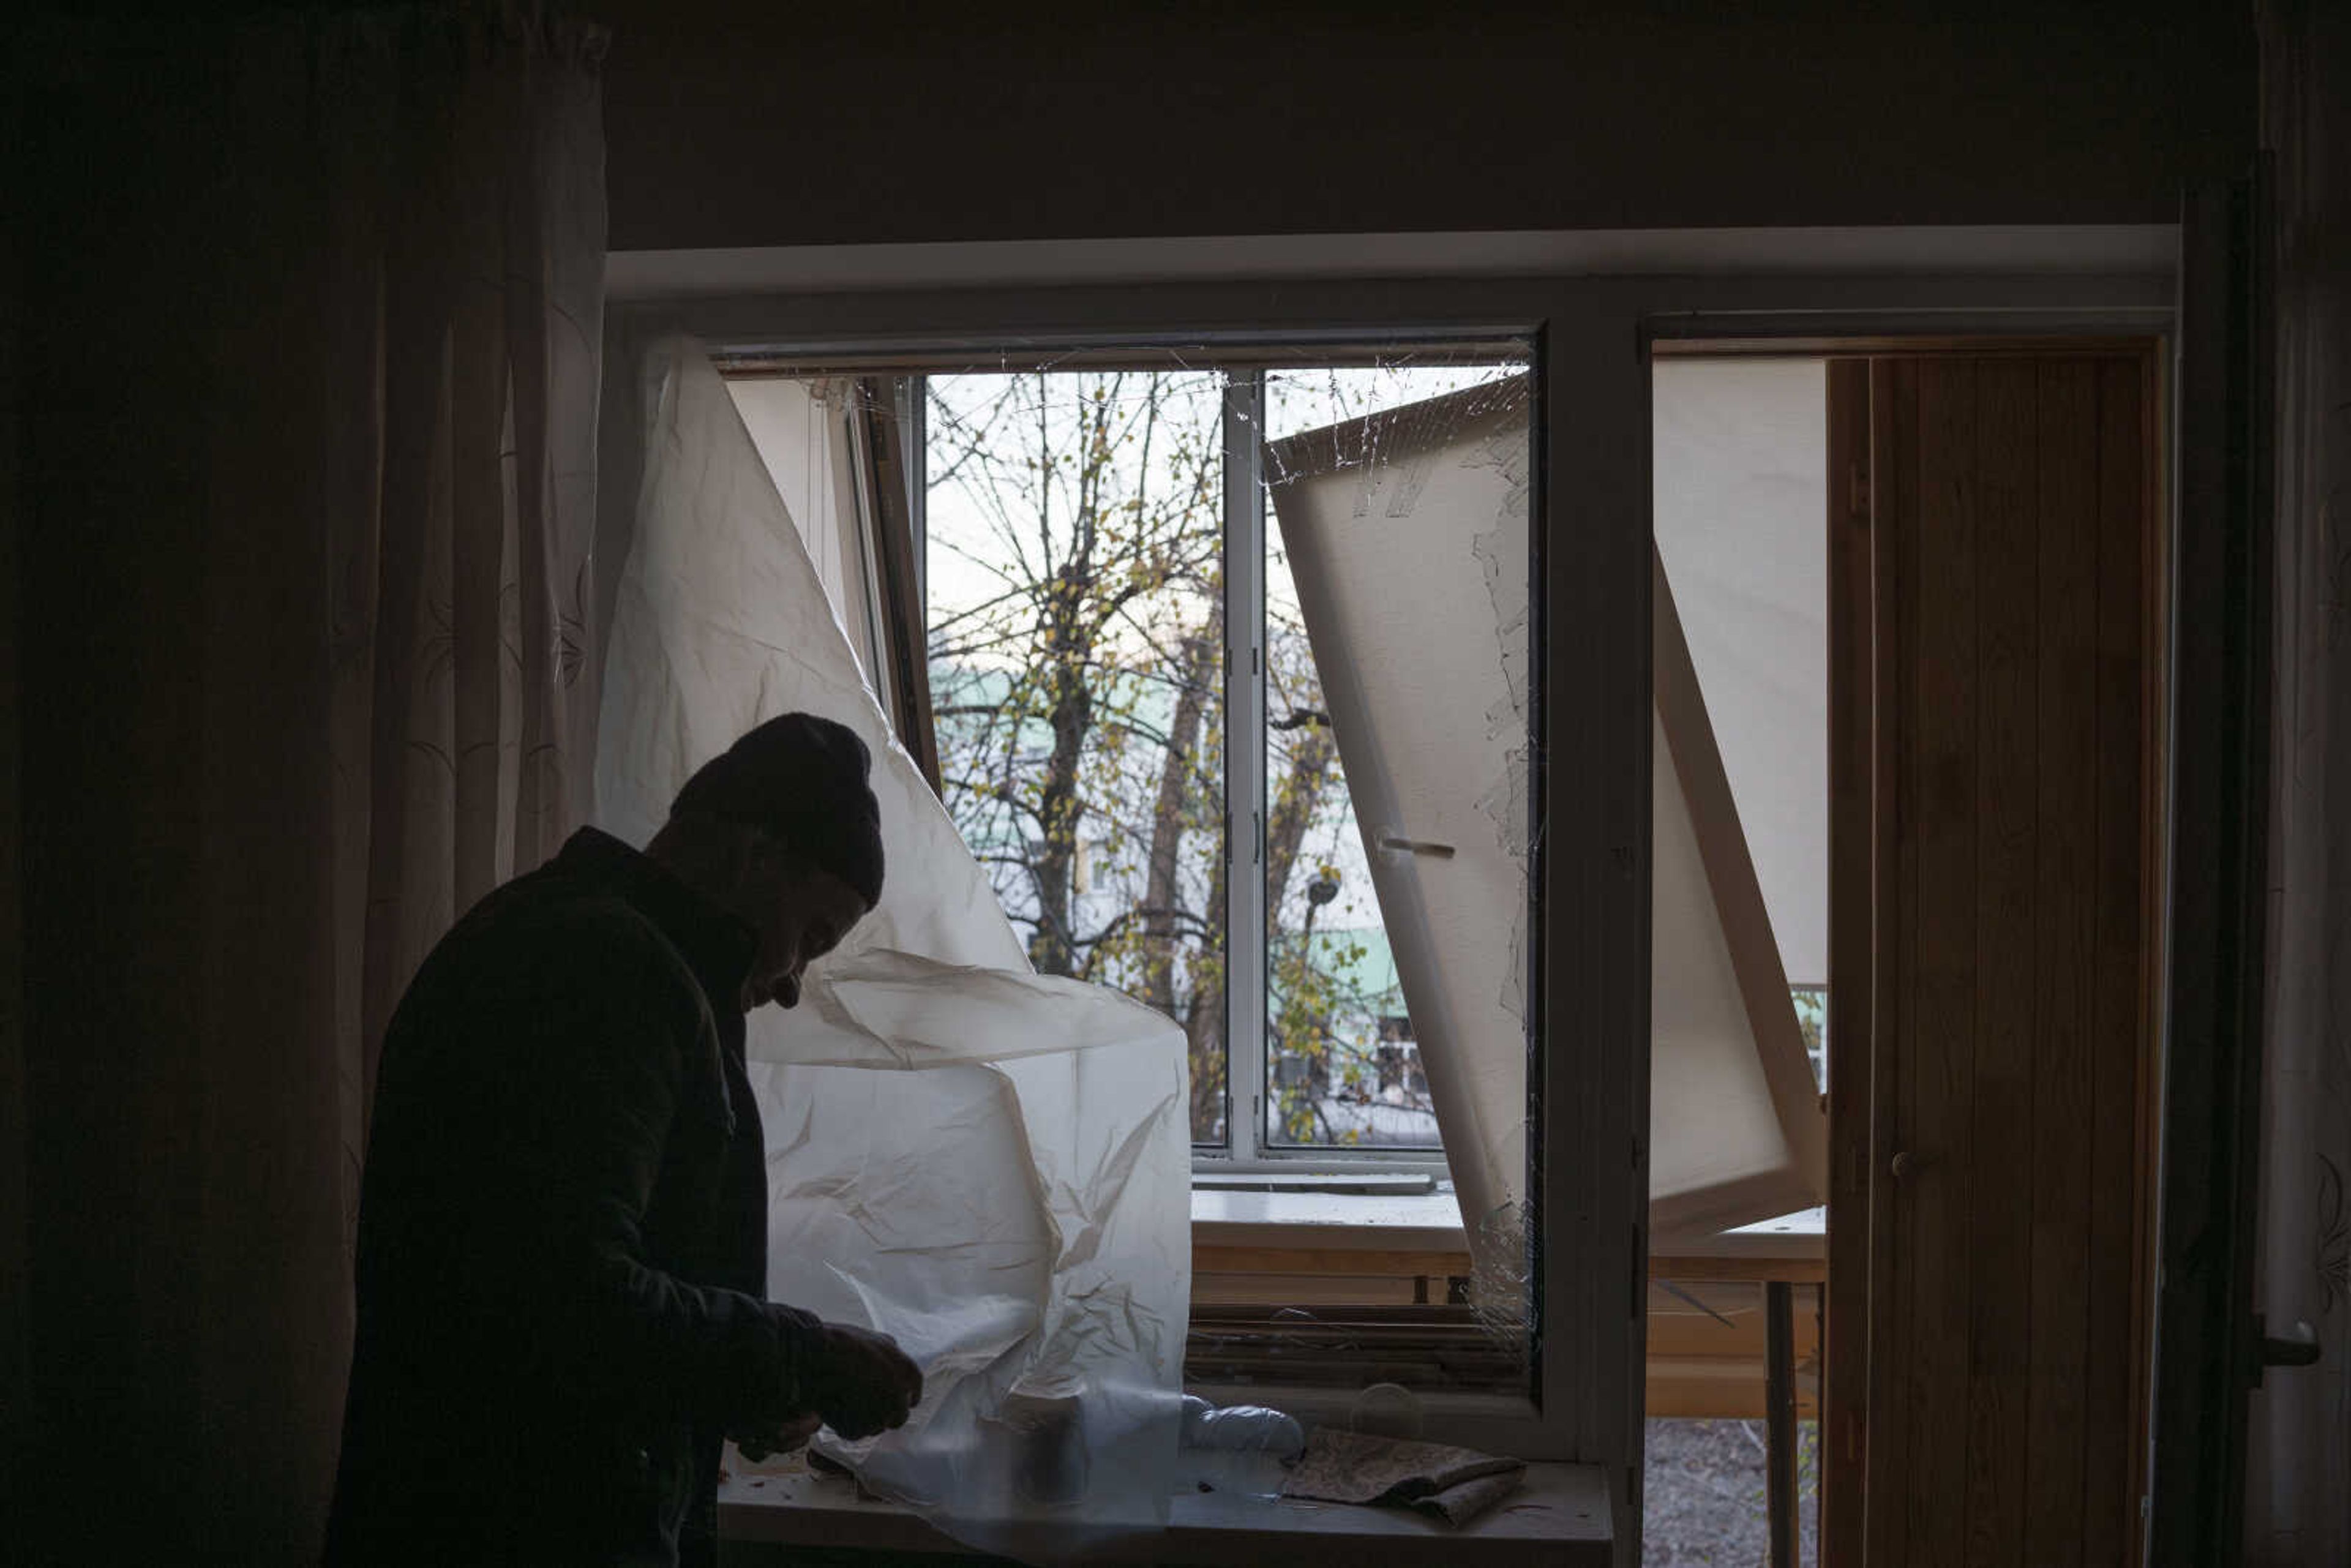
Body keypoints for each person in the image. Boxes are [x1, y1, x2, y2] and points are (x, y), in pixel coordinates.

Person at [325, 713, 924, 1567]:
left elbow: (553, 1290)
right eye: (815, 936)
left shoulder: (570, 937)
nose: (794, 983)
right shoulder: (604, 970)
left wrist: (753, 1388)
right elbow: (570, 1301)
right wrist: (804, 1355)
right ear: (759, 855)